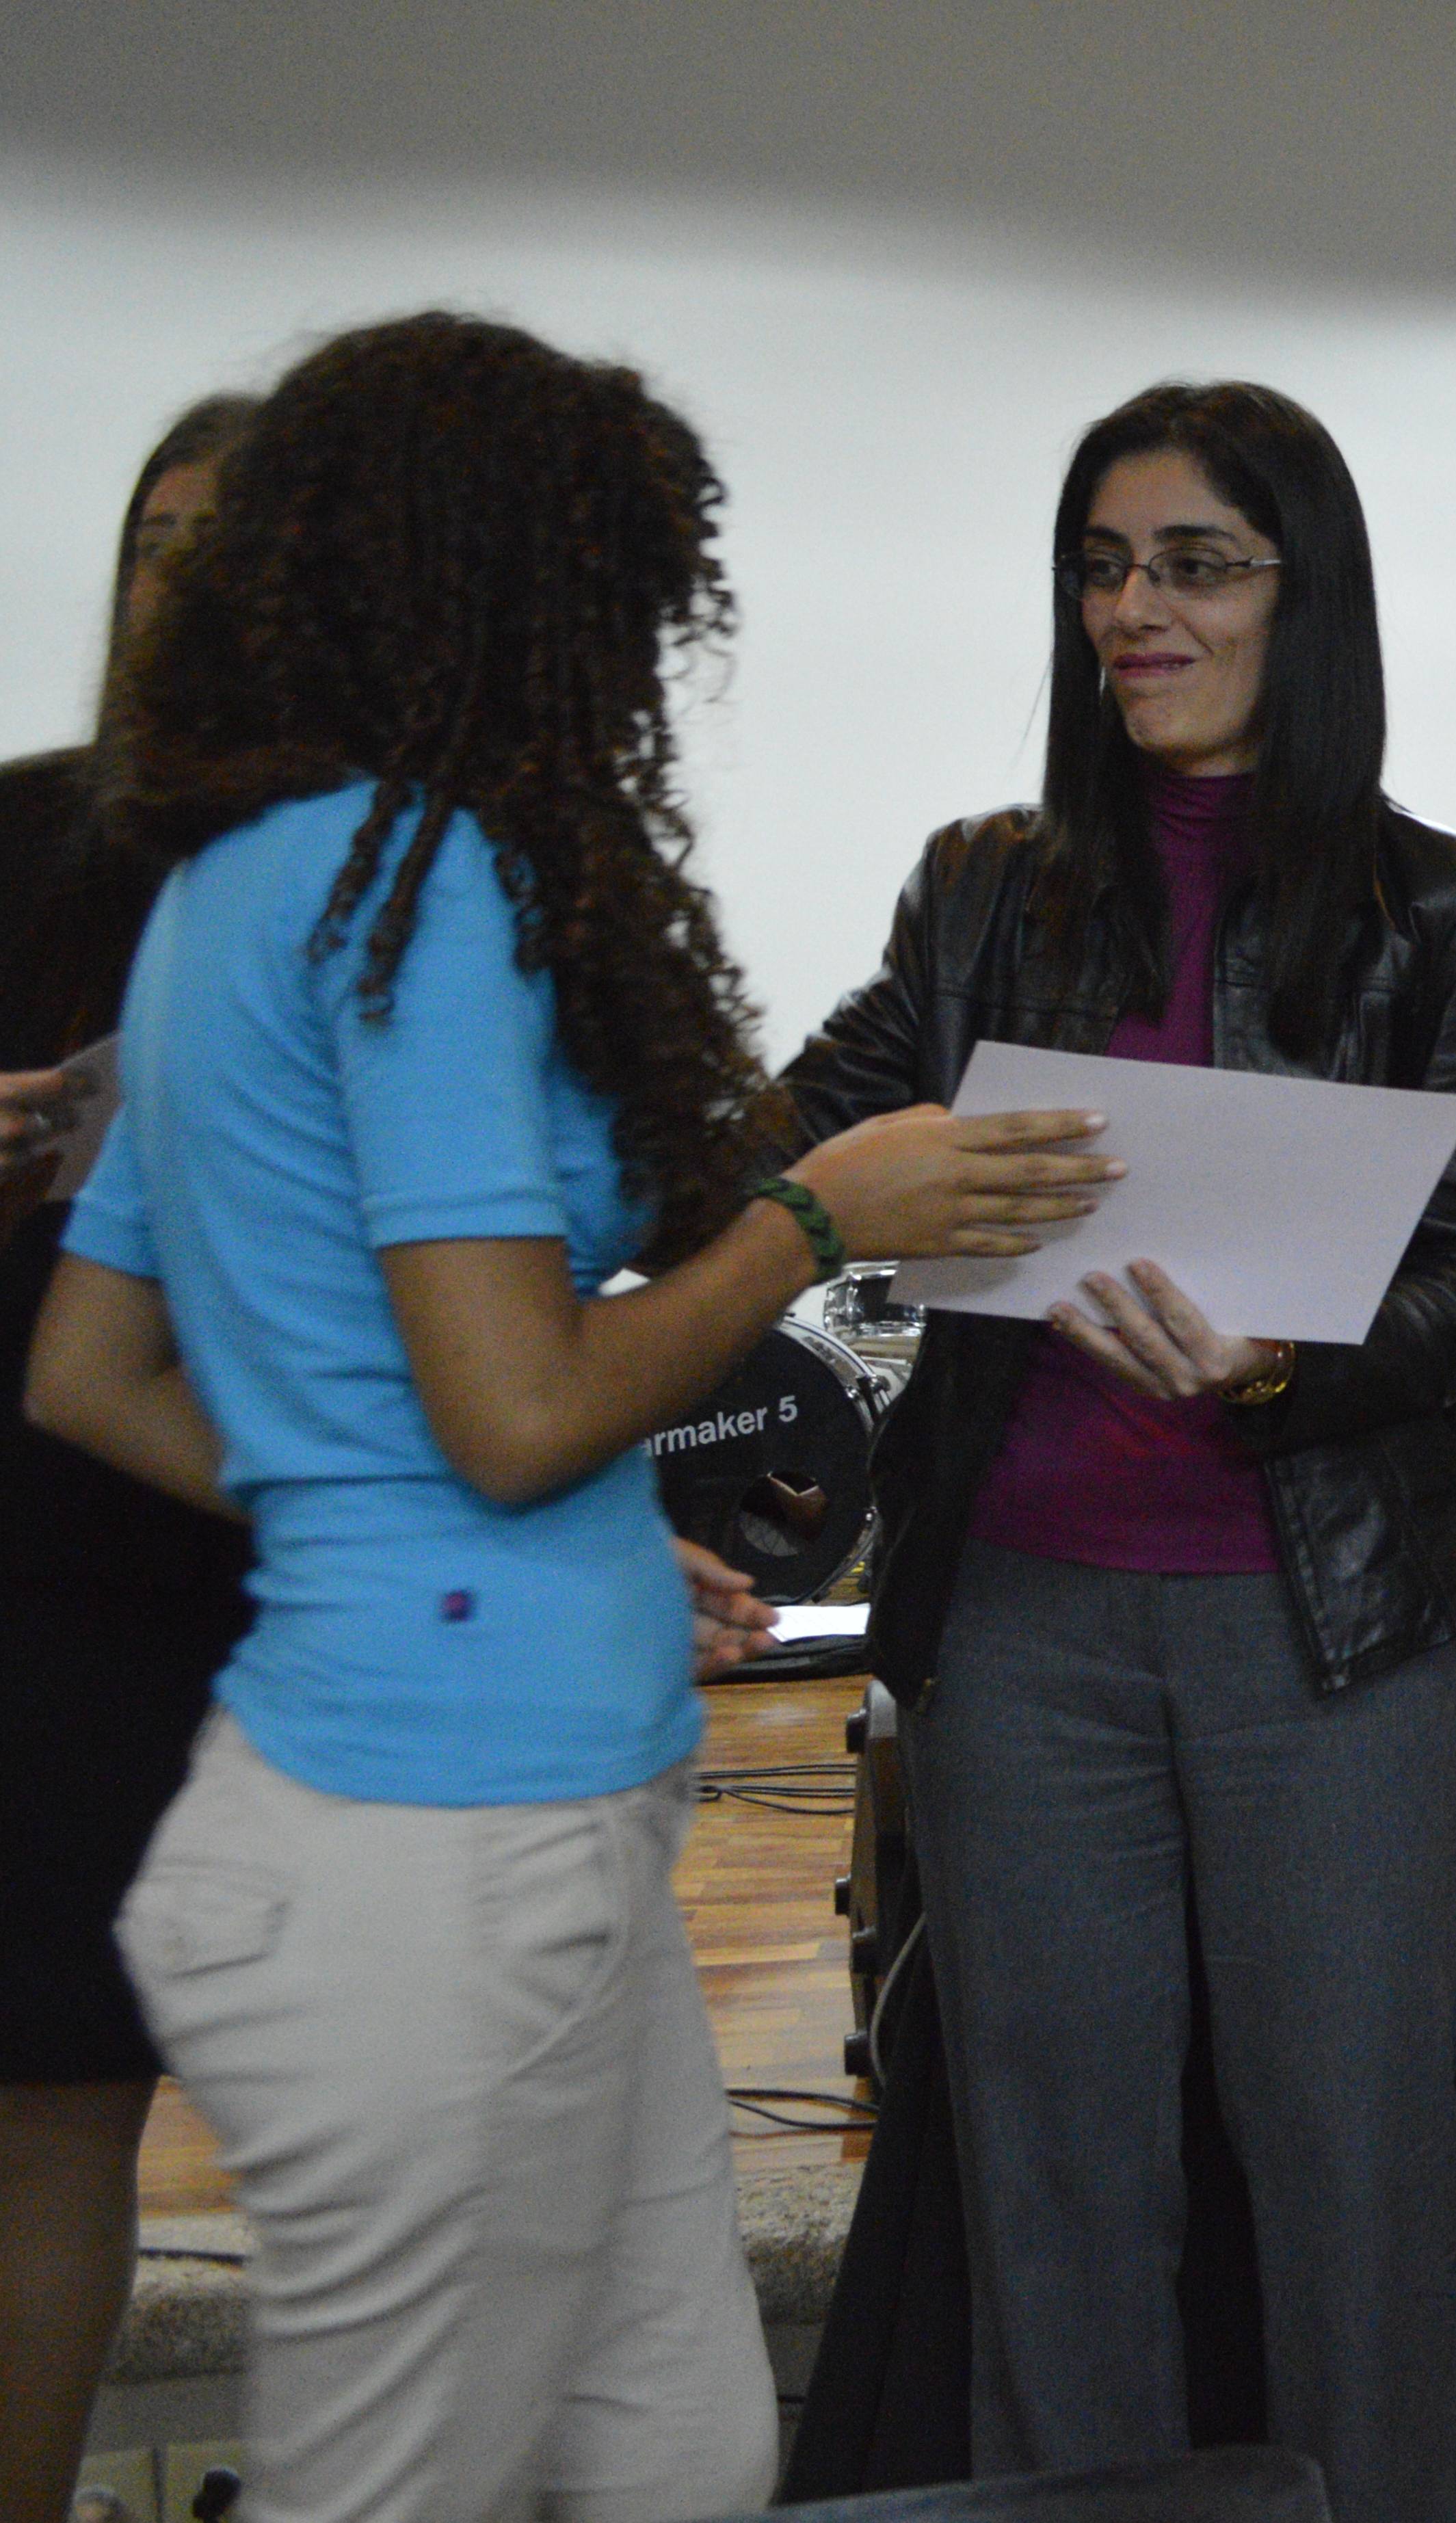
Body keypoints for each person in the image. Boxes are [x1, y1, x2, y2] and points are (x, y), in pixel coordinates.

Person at [22, 312, 1112, 2523]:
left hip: (485, 1783)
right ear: (497, 589)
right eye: (612, 594)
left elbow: (87, 1373)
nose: (636, 649)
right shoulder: (415, 889)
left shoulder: (229, 882)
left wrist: (446, 1530)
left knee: (681, 2450)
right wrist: (823, 1211)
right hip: (449, 1829)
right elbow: (516, 1413)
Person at [771, 380, 1456, 2513]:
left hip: (1329, 1639)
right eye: (1102, 565)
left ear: (1308, 596)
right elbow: (784, 1147)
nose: (1134, 607)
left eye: (1192, 562)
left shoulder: (1440, 901)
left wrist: (1280, 1373)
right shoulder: (983, 889)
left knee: (1358, 2184)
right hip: (1020, 1636)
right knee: (1058, 2193)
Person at [0, 390, 254, 2523]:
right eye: (153, 542)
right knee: (50, 2098)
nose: (182, 586)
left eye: (229, 543)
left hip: (279, 1552)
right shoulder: (20, 832)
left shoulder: (383, 871)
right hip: (47, 1534)